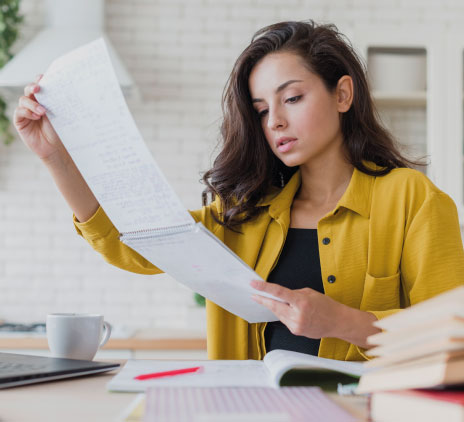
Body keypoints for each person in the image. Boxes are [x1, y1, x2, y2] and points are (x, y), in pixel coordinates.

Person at [14, 20, 464, 361]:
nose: (276, 122)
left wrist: (344, 322)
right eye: (262, 109)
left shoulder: (413, 200)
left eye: (292, 98)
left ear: (343, 94)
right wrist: (57, 159)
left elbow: (451, 334)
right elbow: (126, 244)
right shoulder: (242, 210)